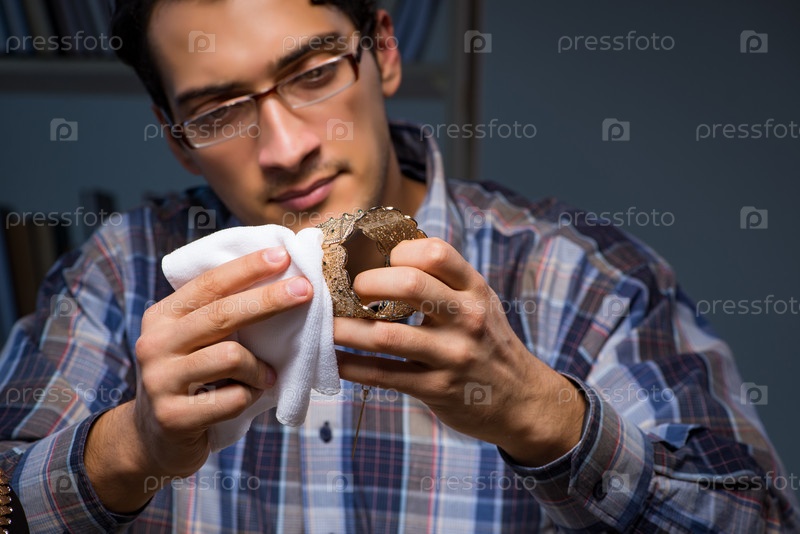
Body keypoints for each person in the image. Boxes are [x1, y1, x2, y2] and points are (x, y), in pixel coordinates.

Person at [0, 0, 797, 531]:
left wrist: (544, 417)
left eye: (314, 74)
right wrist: (128, 450)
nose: (286, 149)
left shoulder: (582, 277)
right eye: (218, 113)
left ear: (382, 51)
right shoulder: (119, 274)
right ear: (178, 139)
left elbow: (759, 519)